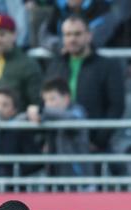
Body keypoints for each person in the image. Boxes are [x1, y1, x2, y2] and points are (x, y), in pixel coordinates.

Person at [44, 15, 124, 158]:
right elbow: (46, 101)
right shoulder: (56, 65)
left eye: (77, 34)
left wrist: (99, 141)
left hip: (94, 146)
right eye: (67, 34)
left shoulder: (108, 66)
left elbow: (116, 106)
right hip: (59, 144)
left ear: (89, 35)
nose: (72, 39)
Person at [26, 77, 91, 176]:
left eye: (52, 99)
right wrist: (30, 114)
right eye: (45, 100)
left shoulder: (77, 111)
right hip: (54, 176)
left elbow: (72, 119)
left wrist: (41, 110)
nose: (48, 104)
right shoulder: (47, 114)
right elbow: (22, 118)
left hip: (78, 180)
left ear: (66, 98)